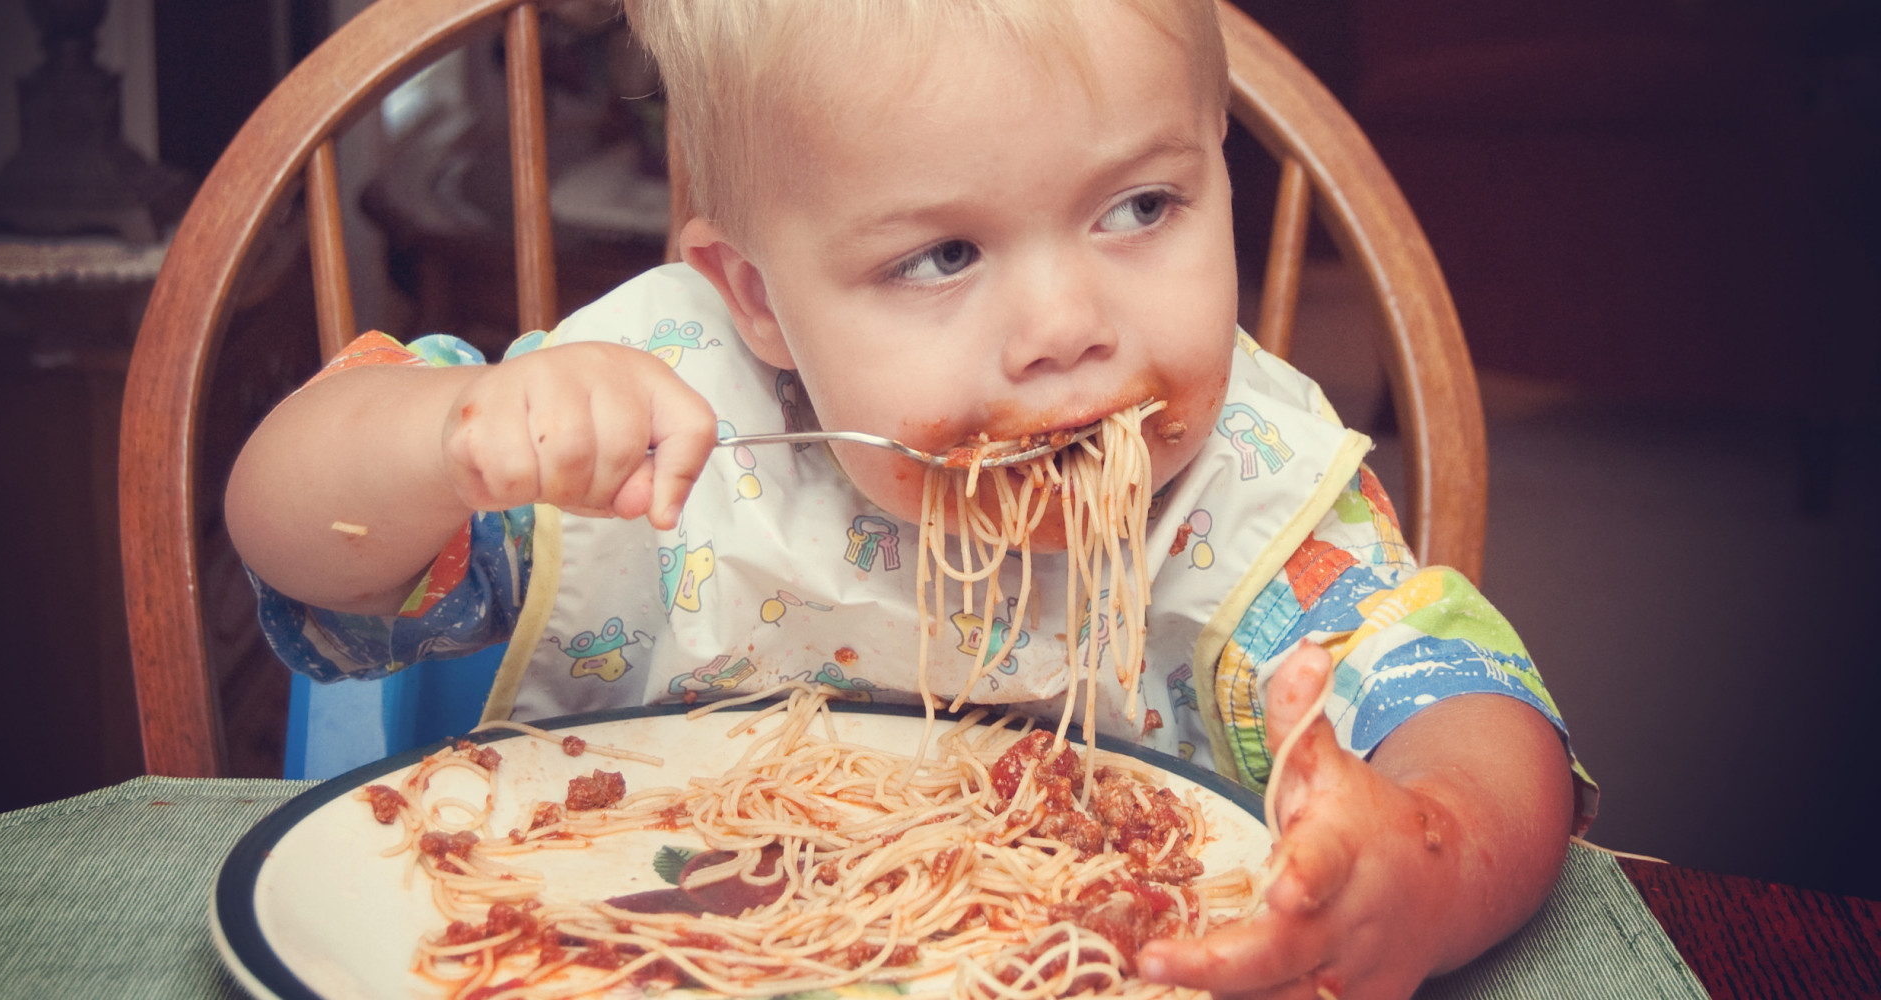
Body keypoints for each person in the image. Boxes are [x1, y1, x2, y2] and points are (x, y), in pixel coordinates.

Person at [226, 1, 1595, 995]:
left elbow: (1476, 721)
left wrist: (1414, 863)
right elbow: (295, 543)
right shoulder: (670, 435)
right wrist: (443, 434)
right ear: (756, 298)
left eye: (1142, 208)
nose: (1067, 324)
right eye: (943, 253)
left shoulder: (1234, 493)